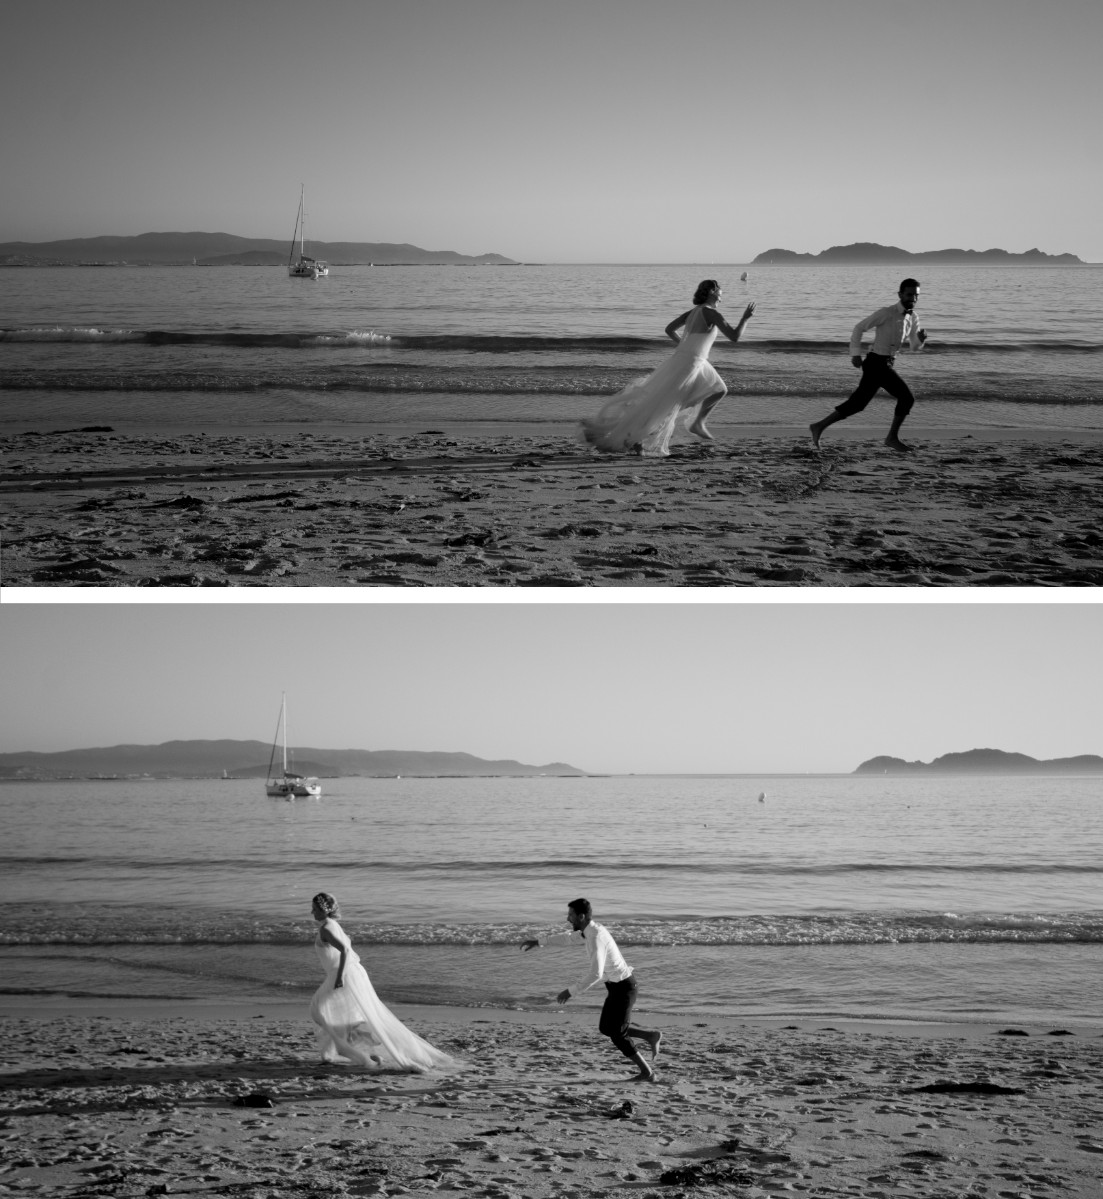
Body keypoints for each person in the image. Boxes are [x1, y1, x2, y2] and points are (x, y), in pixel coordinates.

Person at [581, 280, 756, 457]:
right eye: (720, 295)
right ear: (712, 292)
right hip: (692, 363)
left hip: (686, 359)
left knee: (712, 392)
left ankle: (691, 425)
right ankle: (638, 437)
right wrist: (745, 318)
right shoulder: (712, 314)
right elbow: (734, 336)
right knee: (671, 405)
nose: (721, 299)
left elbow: (669, 329)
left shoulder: (692, 312)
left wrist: (686, 345)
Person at [309, 892, 458, 1072]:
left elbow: (345, 951)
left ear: (325, 910)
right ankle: (356, 1047)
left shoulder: (327, 928)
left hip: (344, 974)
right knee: (335, 1014)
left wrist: (340, 976)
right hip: (349, 972)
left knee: (321, 1009)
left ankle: (358, 1047)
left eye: (315, 909)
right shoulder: (330, 924)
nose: (312, 912)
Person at [521, 897, 662, 1082]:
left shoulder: (596, 937)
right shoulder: (589, 930)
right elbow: (568, 938)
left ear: (581, 916)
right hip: (615, 987)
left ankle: (647, 1073)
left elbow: (595, 973)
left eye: (570, 915)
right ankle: (650, 1036)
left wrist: (570, 991)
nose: (567, 919)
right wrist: (539, 941)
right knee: (606, 1028)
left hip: (625, 988)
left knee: (617, 1034)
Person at [810, 278, 928, 452]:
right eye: (909, 294)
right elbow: (859, 328)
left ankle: (819, 426)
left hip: (886, 363)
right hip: (876, 363)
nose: (913, 299)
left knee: (858, 404)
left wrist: (920, 340)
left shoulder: (914, 317)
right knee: (907, 397)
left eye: (916, 295)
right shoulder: (886, 313)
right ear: (900, 294)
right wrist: (855, 354)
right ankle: (892, 438)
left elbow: (914, 346)